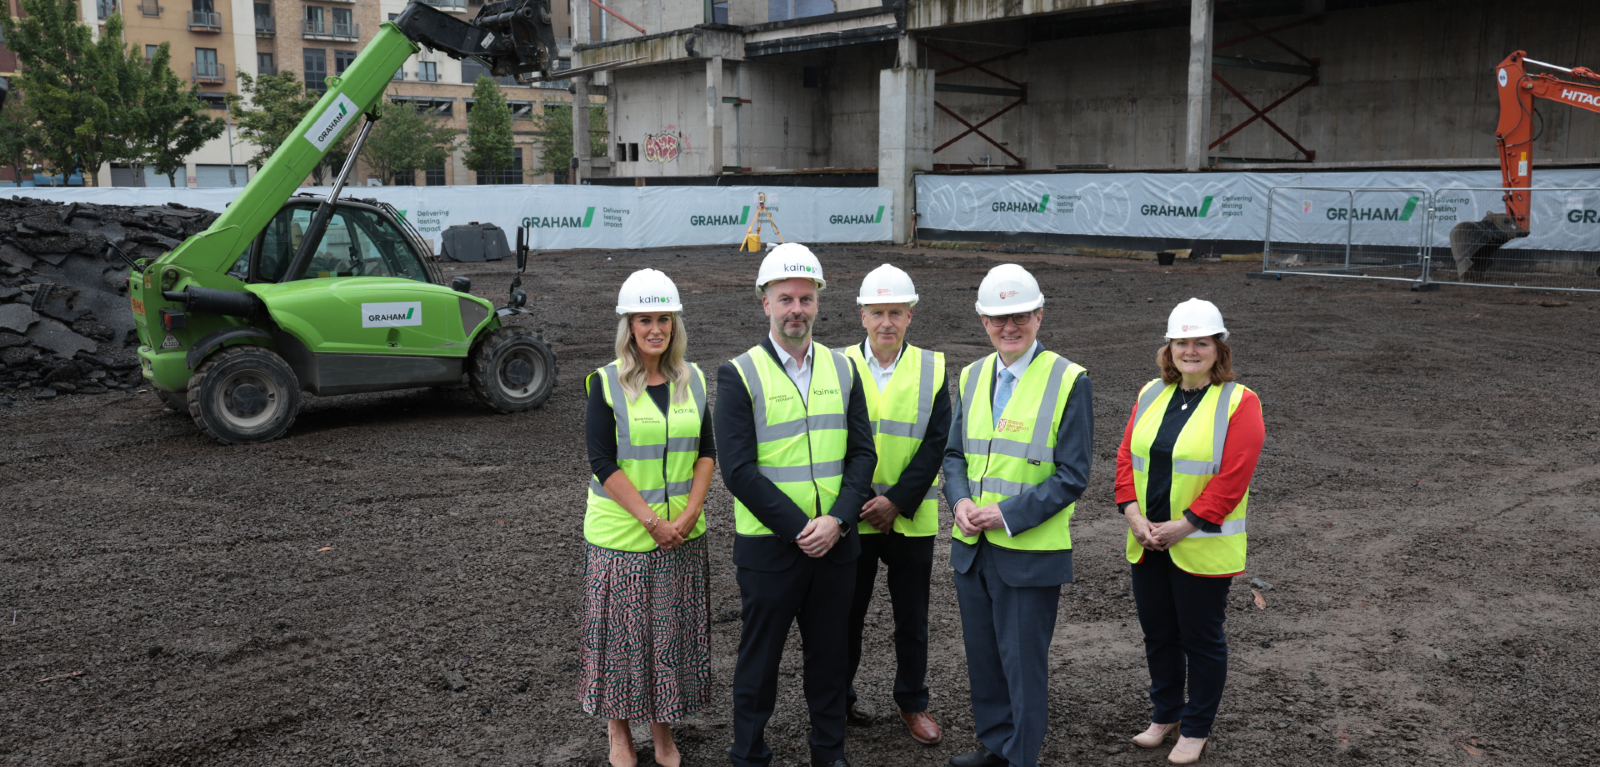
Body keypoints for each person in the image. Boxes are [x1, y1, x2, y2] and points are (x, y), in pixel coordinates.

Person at [714, 243, 877, 767]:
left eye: (806, 299)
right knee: (759, 662)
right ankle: (748, 754)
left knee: (831, 661)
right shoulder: (739, 374)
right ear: (765, 303)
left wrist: (838, 520)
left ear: (819, 302)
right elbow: (737, 470)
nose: (796, 310)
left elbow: (862, 454)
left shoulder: (844, 368)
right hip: (770, 548)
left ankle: (829, 755)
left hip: (835, 545)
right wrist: (800, 528)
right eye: (785, 298)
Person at [942, 264, 1093, 767]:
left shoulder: (1069, 380)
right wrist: (960, 502)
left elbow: (1072, 474)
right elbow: (955, 455)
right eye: (998, 317)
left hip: (1028, 553)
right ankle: (996, 746)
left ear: (1040, 315)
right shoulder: (971, 375)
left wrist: (1004, 514)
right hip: (973, 549)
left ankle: (1021, 757)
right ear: (983, 320)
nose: (1010, 327)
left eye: (1021, 316)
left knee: (1023, 667)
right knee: (985, 661)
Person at [579, 268, 717, 767]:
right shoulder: (606, 382)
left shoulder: (693, 379)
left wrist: (690, 512)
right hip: (623, 538)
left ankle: (663, 734)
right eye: (644, 320)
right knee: (621, 641)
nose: (655, 329)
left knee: (668, 640)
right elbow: (602, 461)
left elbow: (706, 449)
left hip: (682, 535)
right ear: (629, 327)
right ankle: (619, 734)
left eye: (664, 319)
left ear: (675, 324)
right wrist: (652, 522)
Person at [1116, 298, 1263, 765]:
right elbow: (1126, 459)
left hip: (1199, 545)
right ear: (1169, 347)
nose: (1191, 350)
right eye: (1182, 342)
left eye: (1201, 342)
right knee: (1158, 634)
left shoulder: (1241, 402)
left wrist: (1187, 524)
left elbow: (1234, 476)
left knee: (1201, 638)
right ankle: (1166, 714)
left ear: (1219, 349)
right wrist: (1133, 514)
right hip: (1148, 540)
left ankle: (1196, 727)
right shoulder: (1150, 393)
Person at [840, 264, 951, 745]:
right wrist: (867, 501)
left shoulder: (934, 367)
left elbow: (936, 442)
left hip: (911, 516)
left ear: (910, 316)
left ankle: (913, 703)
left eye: (896, 313)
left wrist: (896, 500)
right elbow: (832, 439)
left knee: (912, 619)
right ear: (862, 315)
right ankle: (837, 701)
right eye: (878, 312)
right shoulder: (836, 364)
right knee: (845, 616)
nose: (887, 321)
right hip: (854, 515)